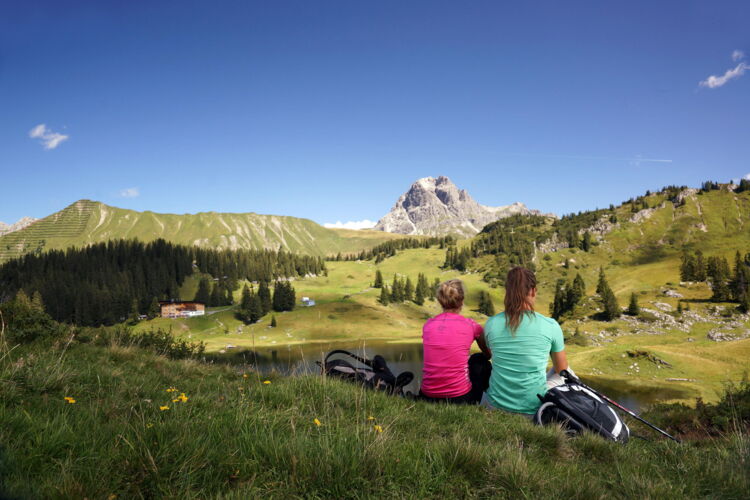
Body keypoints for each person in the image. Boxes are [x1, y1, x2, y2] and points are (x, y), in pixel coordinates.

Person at [483, 267, 570, 416]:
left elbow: (493, 354)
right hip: (533, 410)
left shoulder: (491, 324)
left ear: (507, 291)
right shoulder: (550, 325)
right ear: (533, 291)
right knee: (568, 371)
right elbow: (561, 369)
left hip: (494, 405)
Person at [420, 279, 492, 404]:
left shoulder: (428, 325)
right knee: (479, 360)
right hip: (459, 398)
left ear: (440, 301)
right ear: (462, 301)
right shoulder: (472, 326)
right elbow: (488, 354)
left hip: (427, 396)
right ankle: (487, 402)